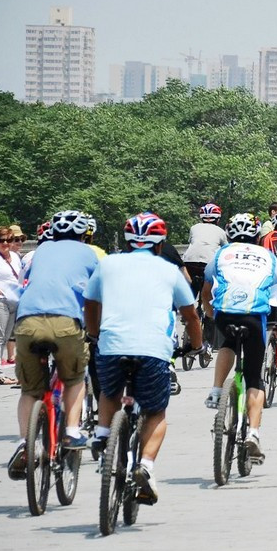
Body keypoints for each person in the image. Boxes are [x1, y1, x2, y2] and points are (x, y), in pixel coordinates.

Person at [83, 213, 203, 504]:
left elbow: (90, 302)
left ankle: (102, 433)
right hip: (152, 349)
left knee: (109, 391)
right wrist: (195, 347)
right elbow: (190, 315)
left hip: (111, 346)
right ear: (160, 245)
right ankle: (146, 466)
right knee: (155, 411)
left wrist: (96, 334)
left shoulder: (108, 263)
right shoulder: (169, 271)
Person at [8, 211, 99, 479]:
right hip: (65, 321)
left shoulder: (40, 252)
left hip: (27, 322)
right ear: (84, 235)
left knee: (29, 390)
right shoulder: (89, 254)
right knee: (74, 380)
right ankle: (71, 431)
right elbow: (96, 295)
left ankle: (27, 444)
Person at [202, 213, 277, 459]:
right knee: (254, 378)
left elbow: (206, 290)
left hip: (225, 313)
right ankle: (253, 434)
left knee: (228, 341)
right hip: (254, 316)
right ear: (257, 236)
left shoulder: (220, 254)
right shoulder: (268, 256)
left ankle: (217, 390)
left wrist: (211, 314)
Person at [182, 203, 228, 303]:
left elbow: (192, 242)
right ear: (218, 219)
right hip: (208, 263)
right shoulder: (221, 231)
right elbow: (225, 249)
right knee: (212, 287)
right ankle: (208, 314)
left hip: (189, 261)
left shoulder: (194, 228)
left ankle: (187, 309)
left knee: (190, 286)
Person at [0, 226, 22, 383]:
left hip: (14, 300)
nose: (5, 243)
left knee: (4, 338)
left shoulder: (15, 256)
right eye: (1, 240)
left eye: (9, 240)